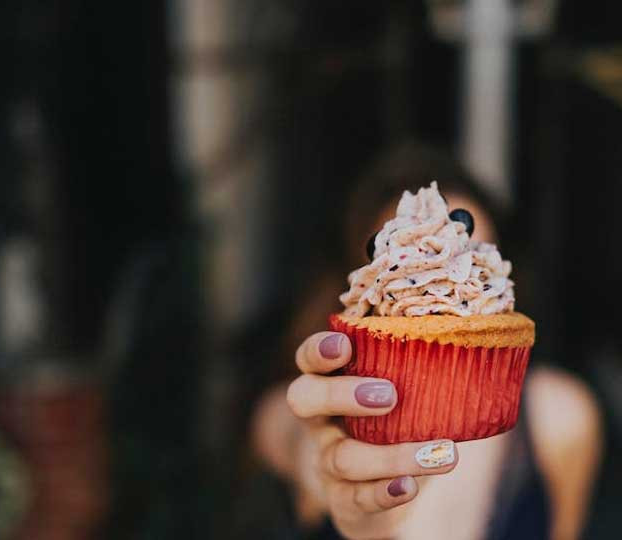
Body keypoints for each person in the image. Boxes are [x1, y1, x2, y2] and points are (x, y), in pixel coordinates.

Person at [250, 144, 602, 539]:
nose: (452, 292)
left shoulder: (562, 417)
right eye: (403, 262)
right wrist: (325, 460)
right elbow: (290, 435)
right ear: (363, 285)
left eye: (475, 260)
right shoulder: (305, 410)